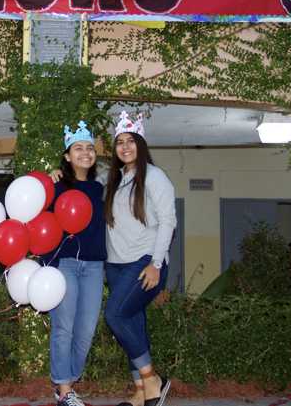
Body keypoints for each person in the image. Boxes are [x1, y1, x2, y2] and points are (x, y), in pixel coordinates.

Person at [103, 111, 175, 406]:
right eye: (120, 142)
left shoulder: (155, 177)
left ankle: (151, 378)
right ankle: (141, 391)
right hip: (116, 264)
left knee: (115, 315)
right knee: (133, 320)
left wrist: (156, 264)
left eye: (131, 141)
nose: (125, 147)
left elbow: (168, 221)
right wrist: (59, 171)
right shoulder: (117, 179)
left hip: (145, 261)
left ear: (141, 144)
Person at [44, 120, 107, 406]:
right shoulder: (56, 186)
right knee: (63, 327)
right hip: (66, 264)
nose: (85, 152)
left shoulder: (100, 188)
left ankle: (69, 382)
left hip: (94, 266)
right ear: (68, 156)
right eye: (78, 148)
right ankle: (64, 389)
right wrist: (50, 262)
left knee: (86, 330)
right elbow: (41, 223)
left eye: (90, 148)